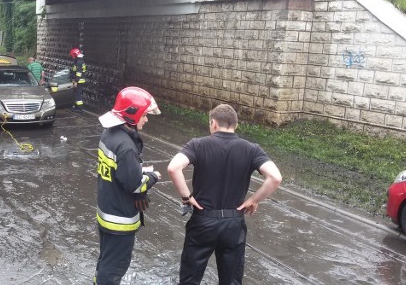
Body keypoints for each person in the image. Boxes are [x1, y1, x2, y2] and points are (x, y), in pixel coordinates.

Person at [167, 104, 282, 285]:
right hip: (233, 223)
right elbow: (275, 177)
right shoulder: (252, 149)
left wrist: (187, 197)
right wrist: (253, 200)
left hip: (203, 221)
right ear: (235, 125)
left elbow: (173, 168)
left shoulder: (198, 144)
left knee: (190, 278)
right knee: (231, 280)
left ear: (213, 123)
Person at [94, 86, 162, 285]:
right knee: (115, 267)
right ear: (132, 114)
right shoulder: (126, 146)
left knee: (105, 261)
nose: (146, 119)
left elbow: (119, 172)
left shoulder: (109, 135)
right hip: (119, 219)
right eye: (144, 115)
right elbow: (134, 185)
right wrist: (153, 176)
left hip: (107, 211)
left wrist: (138, 170)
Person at [69, 47, 86, 112]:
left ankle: (80, 108)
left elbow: (78, 73)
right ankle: (77, 106)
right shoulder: (80, 61)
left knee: (78, 94)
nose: (72, 57)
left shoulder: (78, 63)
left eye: (72, 56)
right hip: (79, 80)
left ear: (75, 55)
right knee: (77, 93)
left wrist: (76, 81)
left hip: (79, 81)